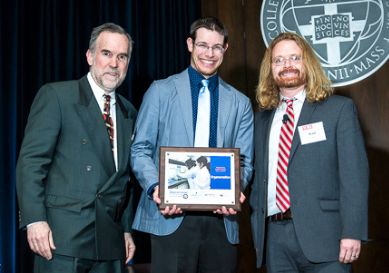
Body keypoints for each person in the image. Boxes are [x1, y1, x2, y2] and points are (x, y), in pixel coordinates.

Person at [130, 16, 253, 273]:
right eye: (203, 45)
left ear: (225, 49)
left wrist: (235, 187)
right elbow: (140, 150)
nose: (209, 53)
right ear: (189, 44)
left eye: (217, 47)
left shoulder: (240, 103)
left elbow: (243, 162)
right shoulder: (160, 91)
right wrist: (157, 187)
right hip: (171, 214)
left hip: (221, 219)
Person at [16, 23, 137, 272]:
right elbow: (31, 163)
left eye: (122, 56)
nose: (114, 64)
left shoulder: (130, 113)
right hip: (61, 240)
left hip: (110, 242)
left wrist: (125, 229)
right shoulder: (57, 96)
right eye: (106, 53)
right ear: (90, 56)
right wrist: (35, 220)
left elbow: (125, 180)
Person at [250, 32, 369, 272]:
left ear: (308, 63)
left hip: (327, 238)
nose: (287, 65)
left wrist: (352, 232)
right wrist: (258, 236)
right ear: (270, 69)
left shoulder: (339, 109)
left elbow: (354, 176)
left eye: (295, 57)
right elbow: (257, 182)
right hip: (274, 240)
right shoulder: (261, 119)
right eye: (279, 60)